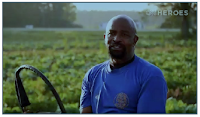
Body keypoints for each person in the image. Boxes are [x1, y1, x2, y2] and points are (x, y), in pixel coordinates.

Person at [79, 15, 168, 114]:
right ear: (105, 38)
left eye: (124, 34)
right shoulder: (92, 75)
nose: (116, 39)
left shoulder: (151, 76)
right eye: (111, 33)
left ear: (135, 40)